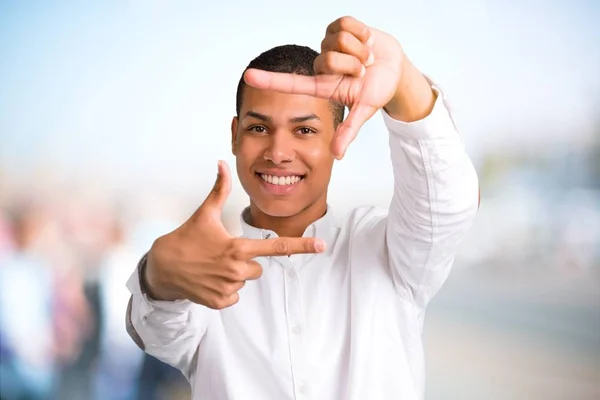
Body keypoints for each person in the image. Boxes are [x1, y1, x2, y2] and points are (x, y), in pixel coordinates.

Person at [126, 16, 479, 400]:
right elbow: (157, 331)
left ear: (339, 138)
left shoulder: (387, 250)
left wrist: (404, 80)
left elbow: (447, 200)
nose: (278, 153)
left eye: (305, 130)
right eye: (259, 128)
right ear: (234, 135)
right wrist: (157, 277)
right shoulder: (211, 267)